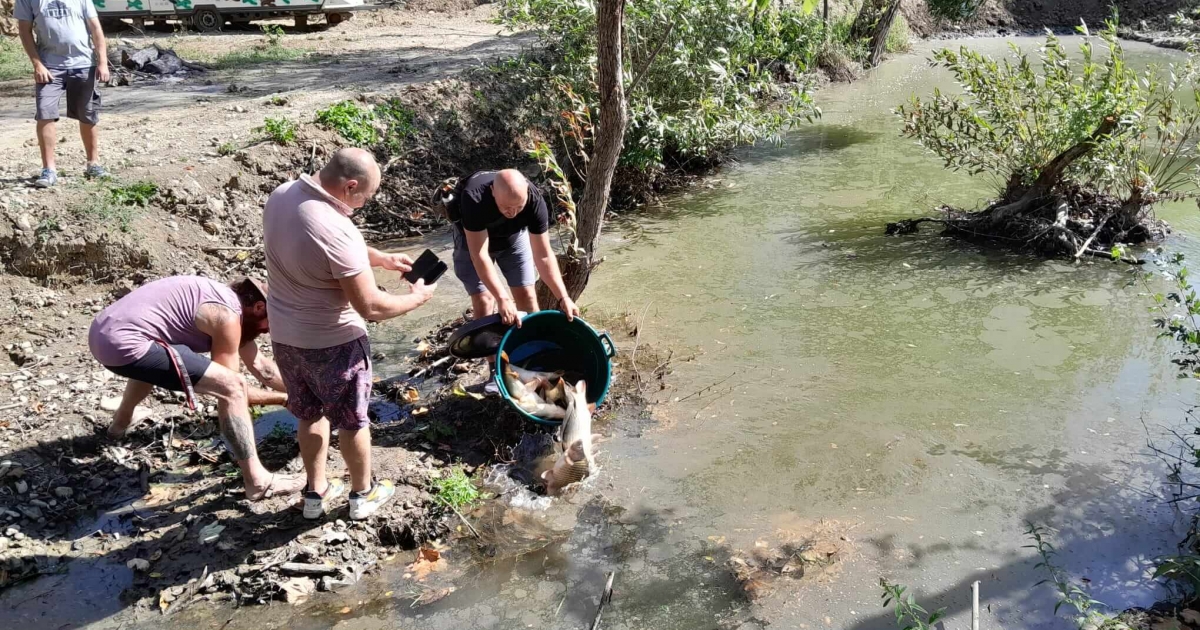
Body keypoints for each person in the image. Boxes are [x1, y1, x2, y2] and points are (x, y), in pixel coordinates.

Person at [263, 147, 437, 521]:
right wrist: (417, 299)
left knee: (309, 414)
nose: (364, 204)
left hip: (285, 338)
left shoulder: (283, 195)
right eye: (365, 197)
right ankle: (363, 495)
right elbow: (371, 307)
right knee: (351, 420)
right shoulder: (336, 228)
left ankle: (316, 492)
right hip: (334, 341)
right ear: (351, 186)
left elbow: (315, 248)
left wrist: (379, 258)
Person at [89, 276, 303, 501]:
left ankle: (119, 426)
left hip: (102, 334)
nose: (270, 330)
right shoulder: (227, 317)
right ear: (259, 307)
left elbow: (264, 368)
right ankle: (257, 482)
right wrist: (285, 399)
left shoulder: (230, 305)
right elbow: (231, 387)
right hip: (122, 344)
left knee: (156, 361)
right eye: (273, 321)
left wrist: (308, 388)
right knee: (232, 387)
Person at [447, 169, 580, 392]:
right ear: (492, 193)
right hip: (474, 240)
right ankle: (494, 373)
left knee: (527, 296)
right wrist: (502, 297)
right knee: (483, 299)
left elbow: (544, 255)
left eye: (518, 207)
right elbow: (479, 255)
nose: (512, 212)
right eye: (506, 207)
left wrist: (563, 296)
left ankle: (536, 363)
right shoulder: (474, 197)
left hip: (513, 238)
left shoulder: (535, 201)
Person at [16, 0, 110, 188]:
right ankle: (48, 169)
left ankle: (93, 163)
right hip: (49, 67)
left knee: (88, 114)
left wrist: (103, 62)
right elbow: (24, 31)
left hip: (84, 64)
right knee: (45, 114)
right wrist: (37, 64)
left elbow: (96, 29)